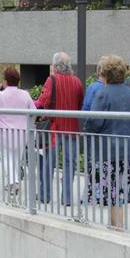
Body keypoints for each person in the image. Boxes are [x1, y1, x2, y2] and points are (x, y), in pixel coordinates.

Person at [82, 56, 130, 228]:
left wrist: (86, 128)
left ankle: (116, 227)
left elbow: (94, 122)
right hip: (129, 151)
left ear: (105, 73)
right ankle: (117, 226)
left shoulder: (102, 94)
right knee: (119, 193)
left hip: (106, 152)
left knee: (111, 193)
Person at [33, 52, 85, 206]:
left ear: (55, 67)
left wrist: (31, 105)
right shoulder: (77, 82)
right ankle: (67, 198)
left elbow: (43, 101)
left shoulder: (52, 80)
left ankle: (44, 195)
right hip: (72, 129)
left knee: (49, 163)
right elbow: (80, 103)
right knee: (70, 164)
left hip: (54, 129)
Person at [0, 67, 36, 203]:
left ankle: (14, 182)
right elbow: (33, 111)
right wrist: (30, 125)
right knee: (16, 160)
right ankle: (14, 181)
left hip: (4, 133)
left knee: (7, 159)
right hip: (21, 133)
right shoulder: (25, 94)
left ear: (5, 81)